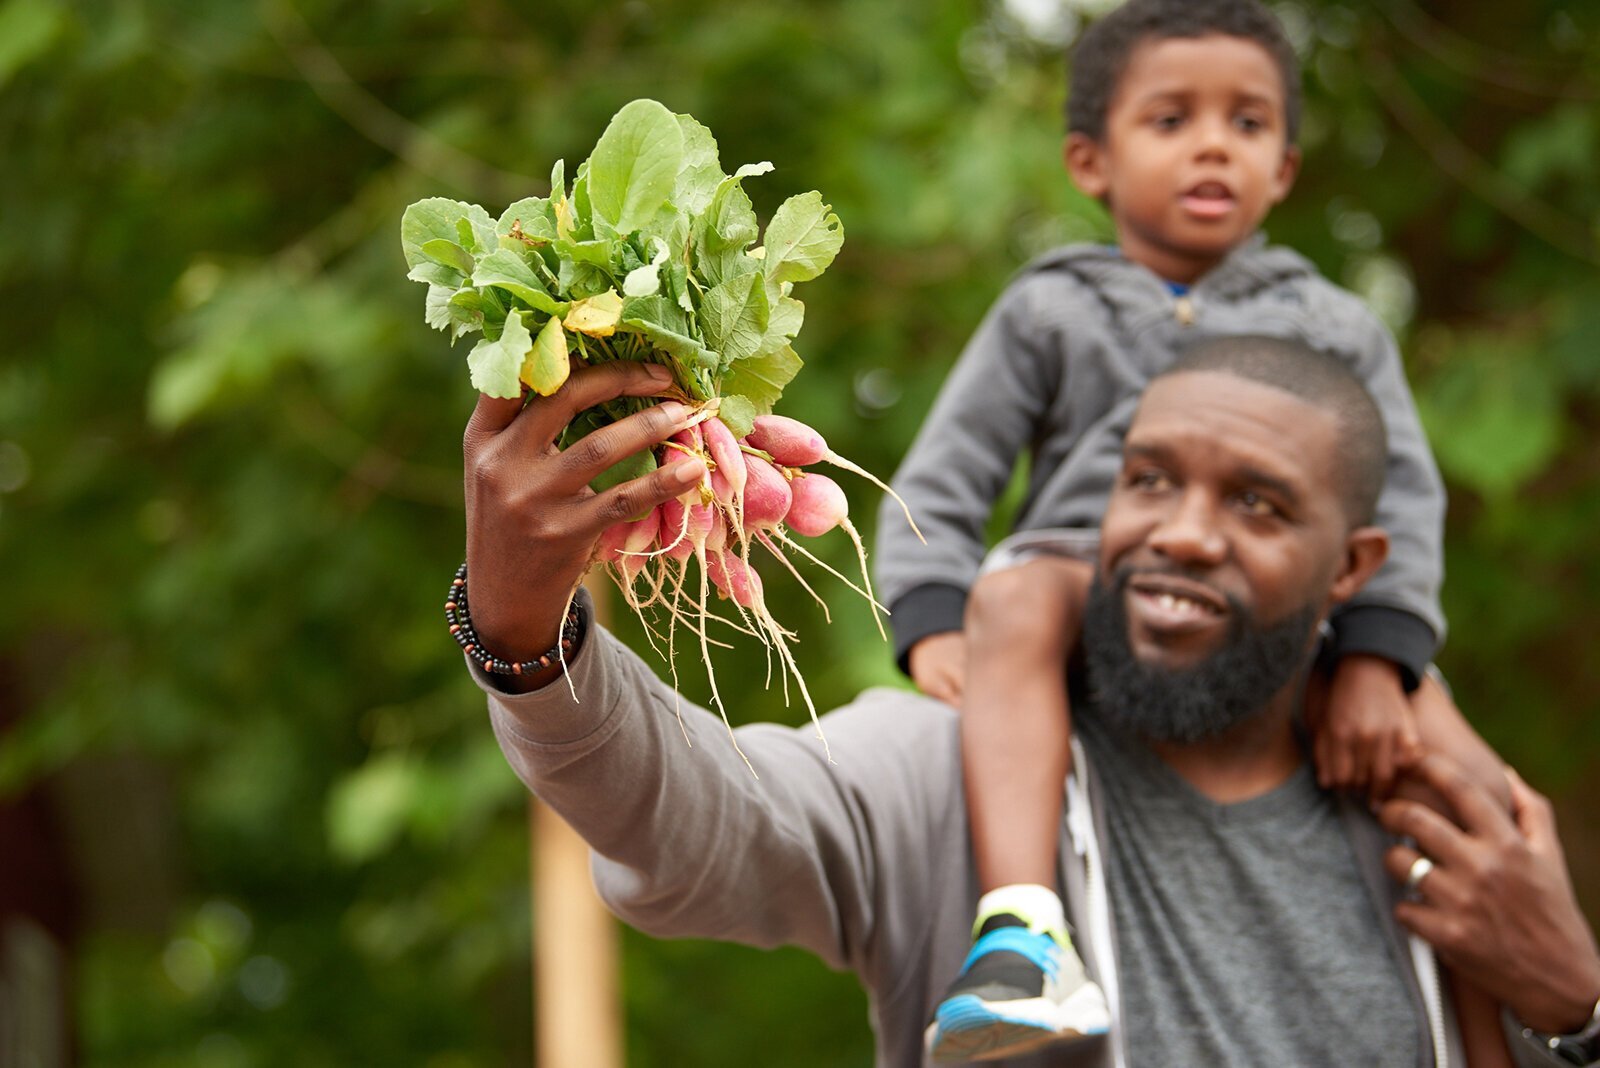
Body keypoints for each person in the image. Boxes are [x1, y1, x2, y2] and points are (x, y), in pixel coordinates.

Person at [455, 341, 1600, 1067]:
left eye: (1255, 504)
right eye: (1148, 481)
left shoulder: (1442, 835)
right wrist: (521, 636)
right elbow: (693, 821)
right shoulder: (945, 767)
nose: (1180, 533)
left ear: (1351, 568)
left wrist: (1579, 1006)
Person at [870, 1, 1472, 1055]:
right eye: (1170, 119)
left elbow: (1405, 502)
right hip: (1080, 579)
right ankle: (1024, 936)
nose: (1211, 144)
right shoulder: (1047, 309)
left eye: (1245, 124)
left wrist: (1380, 656)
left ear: (1282, 170)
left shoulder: (1333, 328)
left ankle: (1501, 1021)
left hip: (1282, 617)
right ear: (1089, 161)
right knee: (1009, 598)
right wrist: (927, 616)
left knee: (1454, 750)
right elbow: (946, 474)